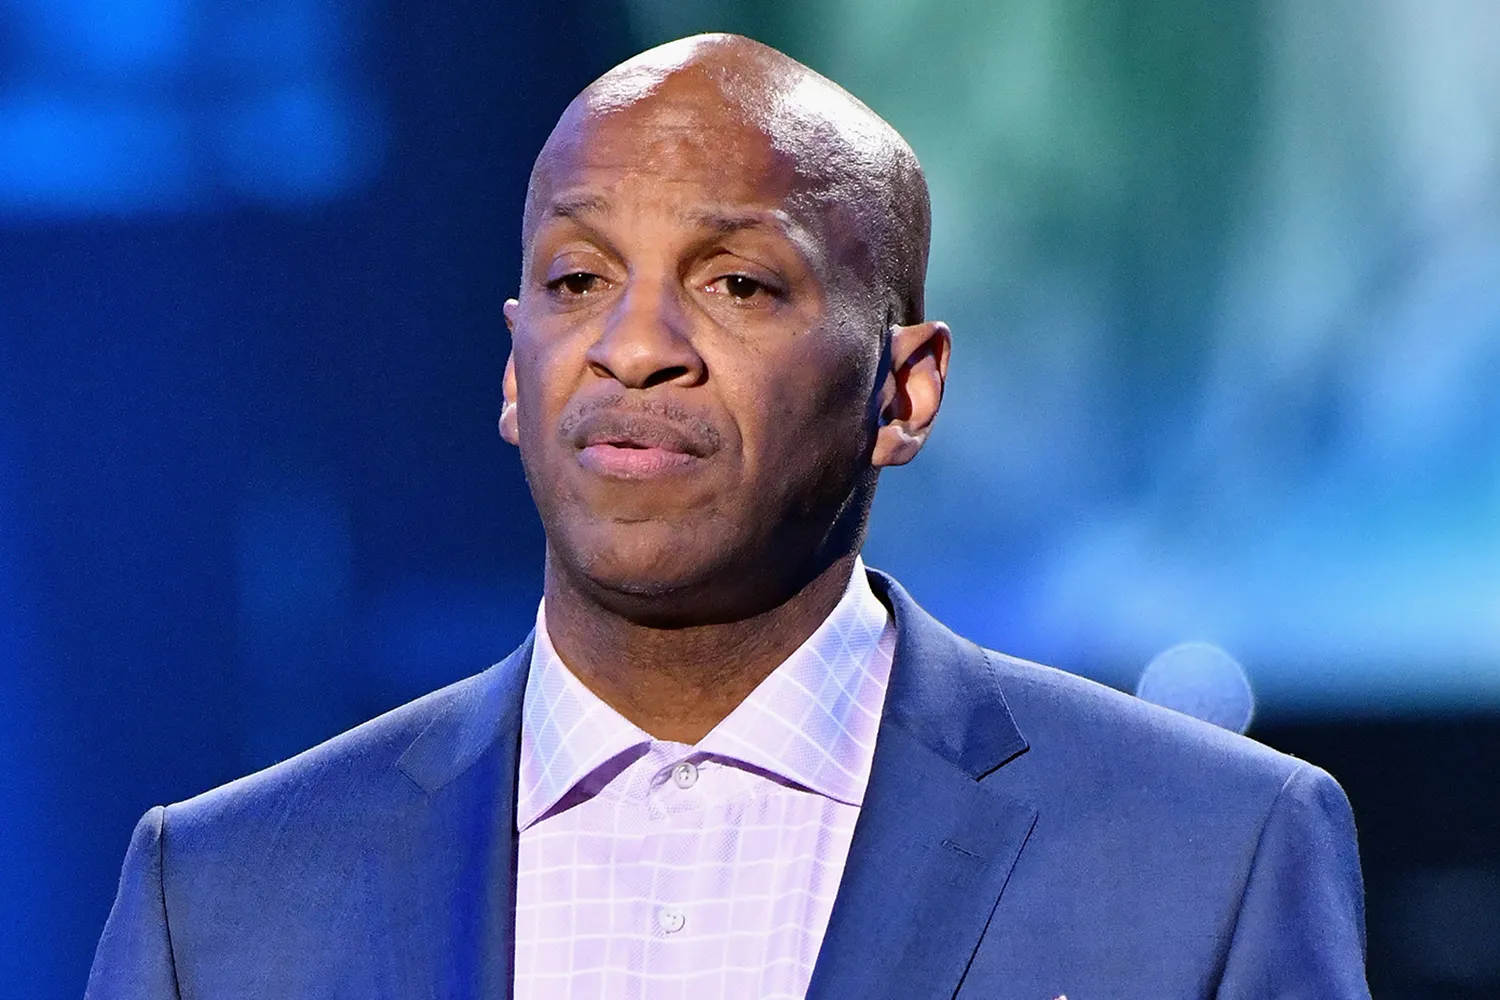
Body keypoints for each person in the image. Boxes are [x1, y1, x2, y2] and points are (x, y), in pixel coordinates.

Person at [87, 33, 1370, 1000]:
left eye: (741, 283)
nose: (634, 347)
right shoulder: (218, 899)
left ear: (903, 390)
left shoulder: (1211, 860)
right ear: (512, 368)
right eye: (579, 279)